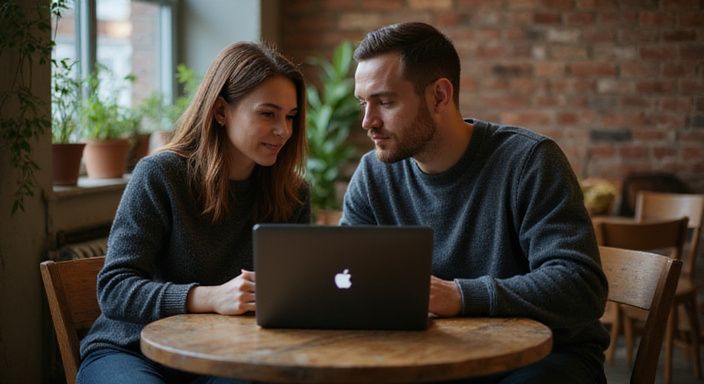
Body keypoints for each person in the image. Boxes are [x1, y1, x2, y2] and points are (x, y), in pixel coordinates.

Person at [342, 22, 609, 383]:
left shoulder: (529, 161)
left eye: (385, 102)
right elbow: (347, 275)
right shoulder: (374, 174)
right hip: (429, 357)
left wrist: (460, 296)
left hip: (545, 359)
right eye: (364, 103)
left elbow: (580, 286)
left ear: (439, 95)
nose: (367, 121)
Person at [77, 42, 310, 384]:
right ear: (220, 111)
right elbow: (114, 289)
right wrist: (210, 297)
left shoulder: (293, 194)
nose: (284, 130)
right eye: (267, 113)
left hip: (228, 358)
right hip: (130, 349)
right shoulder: (160, 175)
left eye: (290, 117)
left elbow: (292, 295)